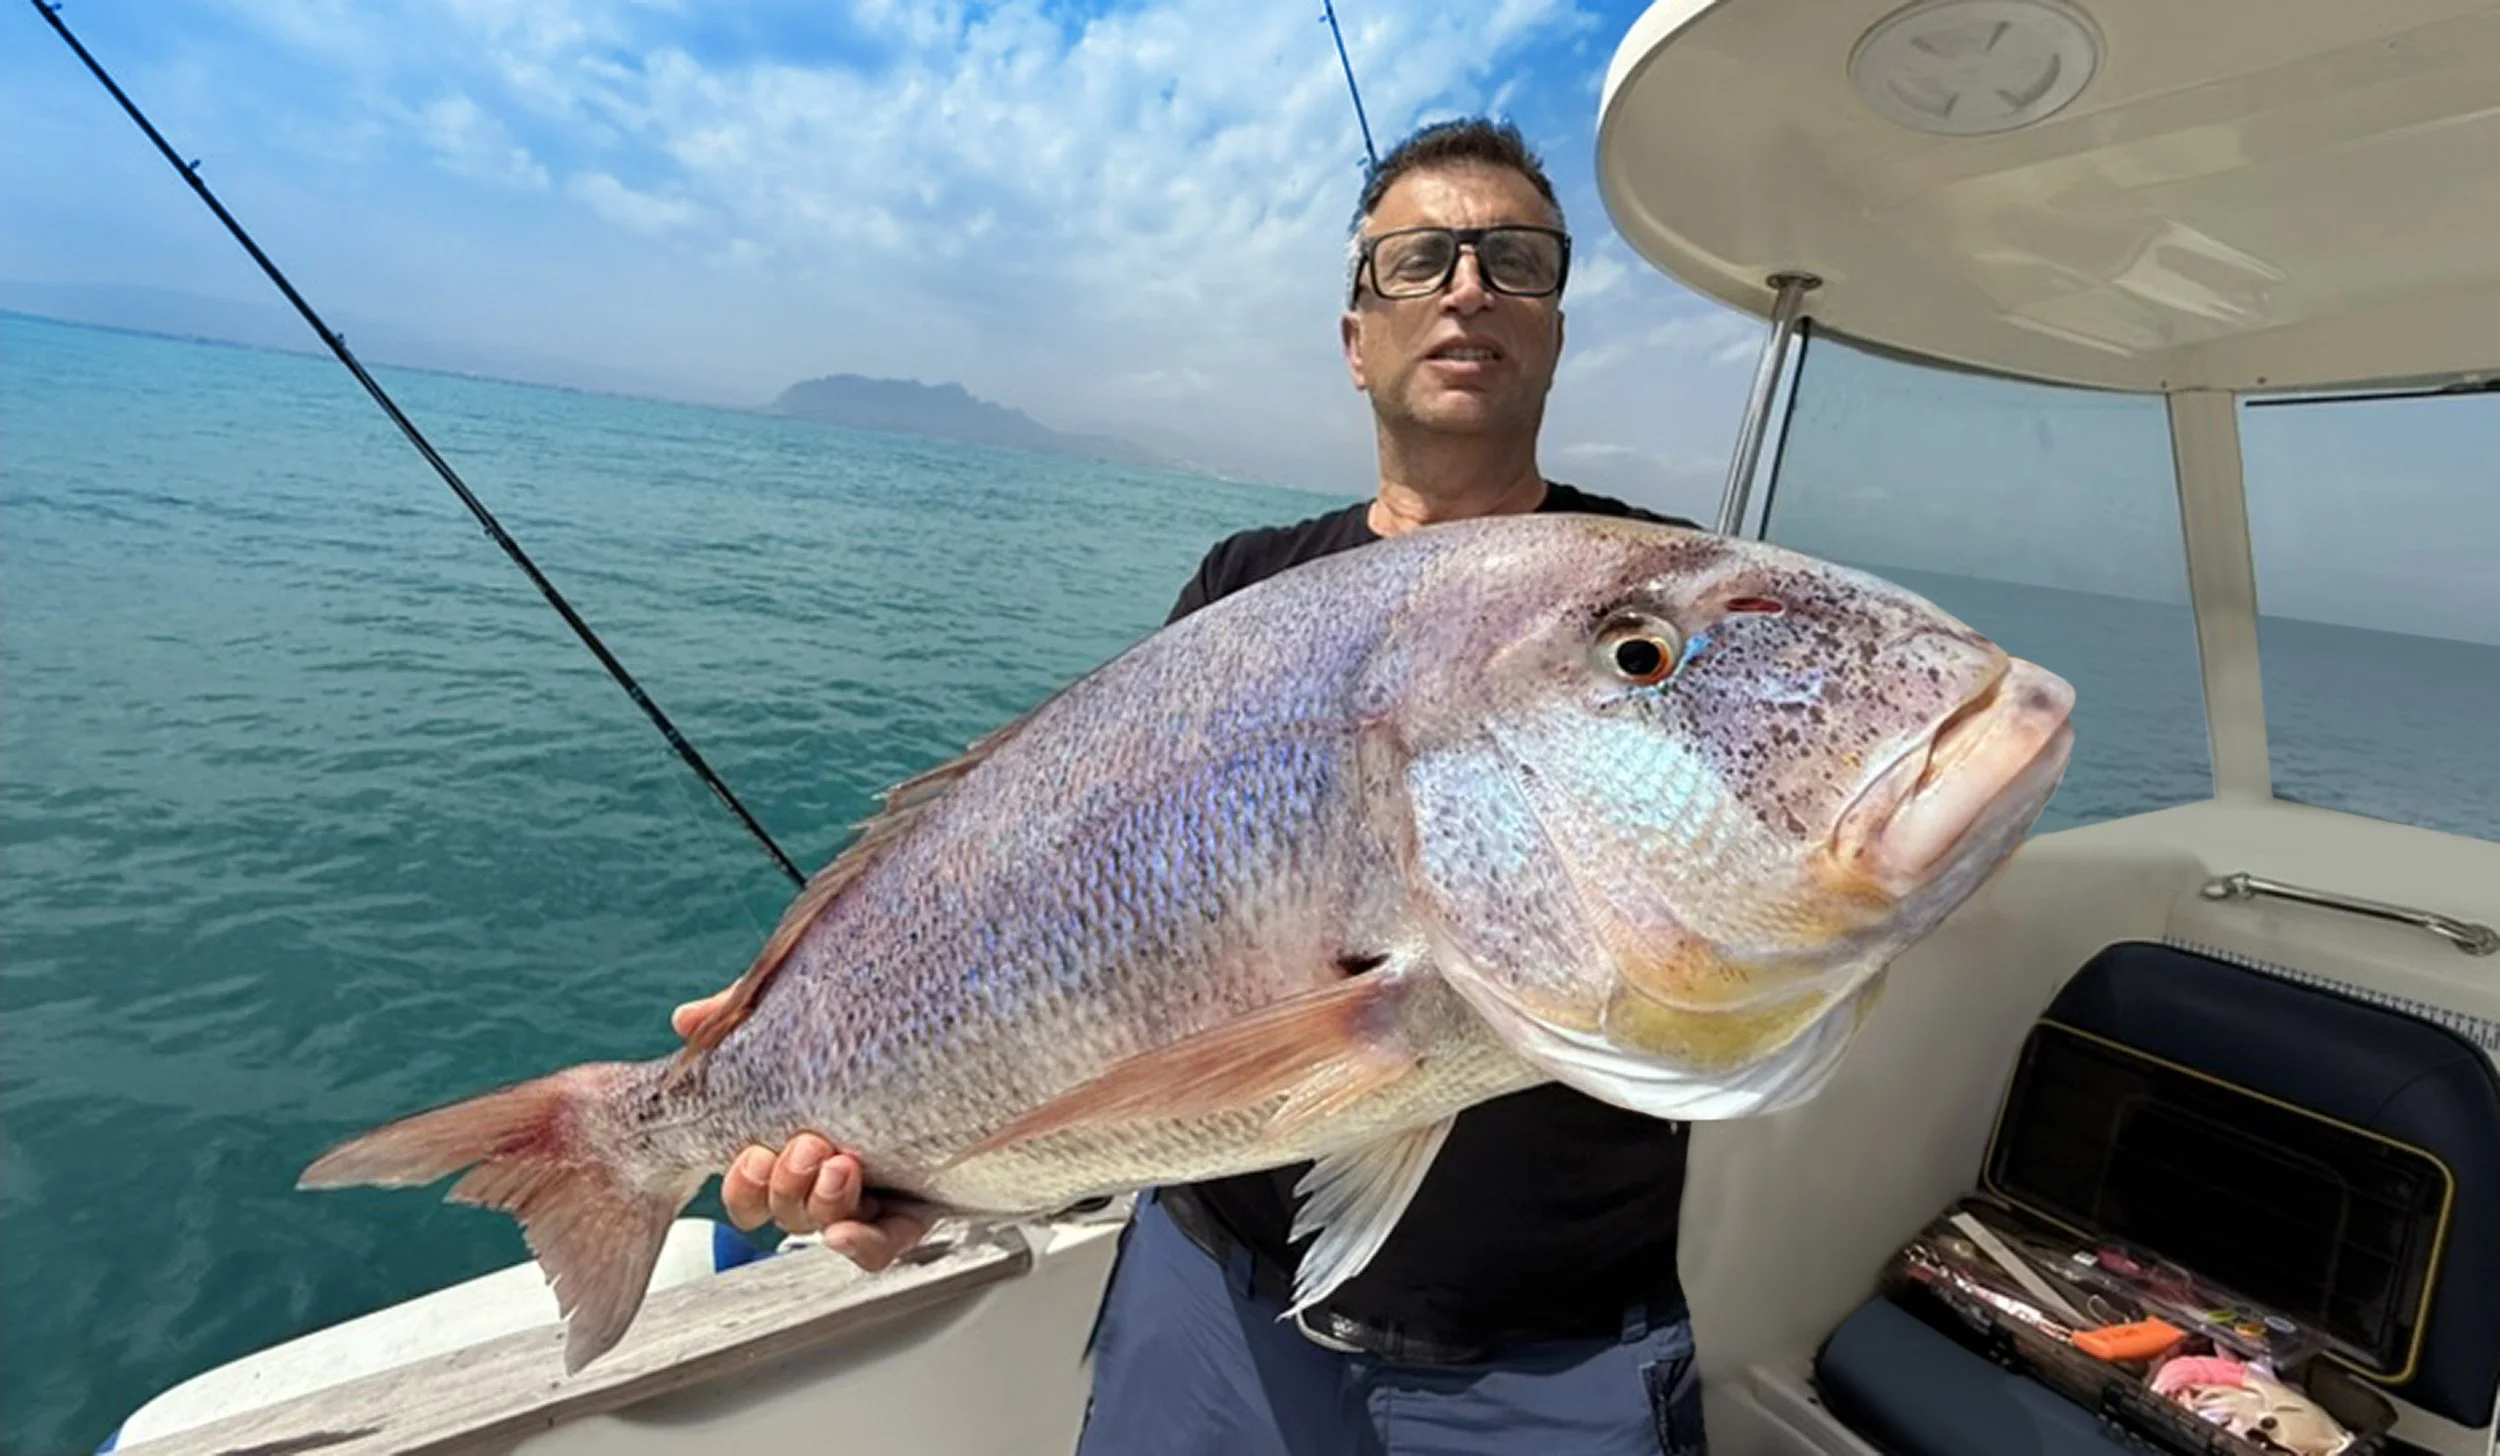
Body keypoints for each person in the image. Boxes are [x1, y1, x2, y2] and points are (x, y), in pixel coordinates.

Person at [672, 117, 1708, 1455]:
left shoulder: (1644, 607)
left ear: (1555, 327)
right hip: (1216, 1295)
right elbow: (1080, 941)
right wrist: (923, 1158)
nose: (1466, 286)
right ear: (1355, 341)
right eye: (1418, 261)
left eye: (1513, 259)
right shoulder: (1241, 586)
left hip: (1550, 1346)